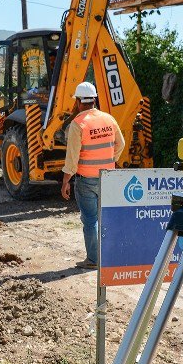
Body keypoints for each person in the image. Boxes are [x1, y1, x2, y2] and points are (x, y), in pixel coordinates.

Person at [61, 81, 125, 270]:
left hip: (86, 180)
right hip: (108, 178)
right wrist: (109, 159)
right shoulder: (109, 119)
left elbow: (72, 157)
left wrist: (65, 181)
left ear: (79, 101)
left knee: (90, 220)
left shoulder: (77, 124)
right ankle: (110, 257)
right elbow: (120, 144)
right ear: (95, 99)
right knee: (107, 218)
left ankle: (93, 260)